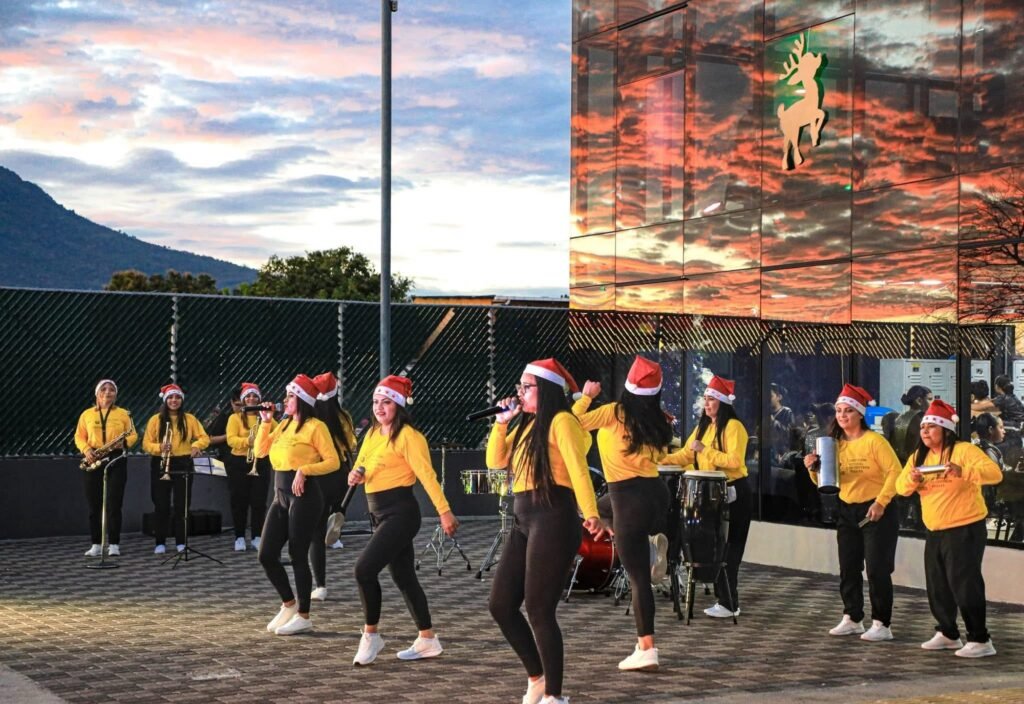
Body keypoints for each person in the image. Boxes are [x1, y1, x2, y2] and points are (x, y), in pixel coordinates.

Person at [487, 358, 608, 704]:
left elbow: (578, 468)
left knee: (539, 609)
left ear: (547, 390)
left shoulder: (562, 421)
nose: (520, 393)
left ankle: (555, 695)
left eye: (527, 387)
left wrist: (591, 513)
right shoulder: (527, 425)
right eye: (519, 387)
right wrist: (500, 424)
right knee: (500, 604)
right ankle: (537, 678)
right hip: (524, 517)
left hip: (554, 516)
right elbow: (495, 462)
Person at [348, 375, 459, 665]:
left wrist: (444, 511)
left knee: (363, 570)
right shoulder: (372, 433)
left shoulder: (409, 436)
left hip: (401, 513)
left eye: (386, 402)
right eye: (375, 402)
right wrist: (356, 474)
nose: (379, 407)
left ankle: (371, 635)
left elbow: (427, 476)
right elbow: (363, 464)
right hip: (378, 513)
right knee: (404, 577)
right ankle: (428, 639)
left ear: (399, 405)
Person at [572, 356, 672, 671]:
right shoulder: (659, 420)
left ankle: (647, 648)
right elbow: (663, 455)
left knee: (638, 579)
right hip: (655, 495)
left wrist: (586, 396)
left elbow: (571, 423)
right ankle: (647, 542)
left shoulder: (614, 412)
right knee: (595, 511)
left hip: (627, 498)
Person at [894, 399, 1003, 658]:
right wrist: (912, 479)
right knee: (937, 585)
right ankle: (948, 633)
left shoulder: (964, 450)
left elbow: (995, 474)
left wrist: (963, 471)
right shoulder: (919, 456)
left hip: (965, 527)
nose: (925, 431)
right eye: (923, 427)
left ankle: (980, 638)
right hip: (935, 529)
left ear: (945, 430)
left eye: (931, 427)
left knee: (964, 584)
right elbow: (900, 488)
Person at [803, 384, 901, 642]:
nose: (842, 415)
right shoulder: (833, 444)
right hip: (847, 508)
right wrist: (812, 468)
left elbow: (895, 472)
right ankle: (853, 617)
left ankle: (882, 623)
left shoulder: (874, 441)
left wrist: (881, 502)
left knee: (877, 569)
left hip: (876, 510)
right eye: (839, 411)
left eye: (848, 411)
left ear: (860, 414)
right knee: (848, 566)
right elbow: (825, 482)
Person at [256, 374, 340, 636]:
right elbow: (260, 451)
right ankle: (288, 604)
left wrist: (305, 469)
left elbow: (333, 461)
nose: (285, 400)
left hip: (305, 495)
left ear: (302, 400)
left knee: (297, 553)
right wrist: (265, 422)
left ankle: (304, 615)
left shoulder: (316, 427)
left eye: (290, 396)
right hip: (280, 494)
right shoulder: (283, 424)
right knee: (266, 554)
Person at [660, 375, 750, 619]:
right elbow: (685, 455)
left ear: (722, 402)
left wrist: (705, 450)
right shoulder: (703, 427)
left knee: (730, 549)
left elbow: (735, 461)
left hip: (734, 491)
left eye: (711, 399)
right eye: (705, 399)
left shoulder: (734, 427)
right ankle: (724, 599)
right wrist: (658, 459)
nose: (706, 403)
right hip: (711, 494)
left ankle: (730, 603)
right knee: (715, 547)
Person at [142, 384, 210, 555]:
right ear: (165, 400)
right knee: (161, 505)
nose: (174, 400)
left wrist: (196, 445)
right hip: (161, 462)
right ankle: (160, 542)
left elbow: (204, 437)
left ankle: (181, 541)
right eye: (171, 397)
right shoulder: (155, 419)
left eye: (177, 397)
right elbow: (146, 444)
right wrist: (159, 447)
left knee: (182, 504)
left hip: (183, 462)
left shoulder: (190, 419)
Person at [74, 379, 138, 557]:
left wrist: (124, 443)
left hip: (116, 457)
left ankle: (114, 544)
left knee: (114, 503)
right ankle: (96, 544)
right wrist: (87, 450)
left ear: (115, 395)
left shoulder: (123, 414)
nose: (107, 392)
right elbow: (79, 436)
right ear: (97, 393)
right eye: (103, 389)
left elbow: (133, 434)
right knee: (94, 504)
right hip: (93, 457)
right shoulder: (86, 414)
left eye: (111, 390)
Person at [308, 371, 357, 600]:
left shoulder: (311, 420)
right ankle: (336, 525)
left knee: (315, 533)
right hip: (340, 475)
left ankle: (320, 586)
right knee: (333, 510)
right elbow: (352, 443)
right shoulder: (343, 416)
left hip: (318, 474)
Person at [224, 383, 273, 552]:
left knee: (259, 501)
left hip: (261, 462)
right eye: (248, 396)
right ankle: (239, 537)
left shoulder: (266, 417)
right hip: (239, 463)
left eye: (254, 396)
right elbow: (231, 440)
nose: (251, 399)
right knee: (239, 501)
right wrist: (248, 441)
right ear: (243, 399)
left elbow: (277, 435)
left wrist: (263, 441)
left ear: (259, 398)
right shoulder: (235, 418)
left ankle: (257, 536)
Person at [991, 375, 1024, 469]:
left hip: (1014, 431)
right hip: (1017, 434)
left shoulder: (1004, 398)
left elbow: (982, 406)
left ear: (997, 386)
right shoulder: (1010, 397)